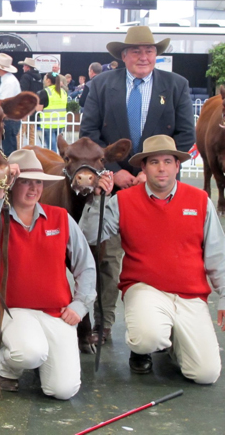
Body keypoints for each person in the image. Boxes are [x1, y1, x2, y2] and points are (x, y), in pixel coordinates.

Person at [79, 26, 195, 348]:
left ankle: (163, 324)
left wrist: (150, 170)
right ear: (124, 56)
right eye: (137, 51)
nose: (144, 56)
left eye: (150, 51)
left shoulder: (176, 86)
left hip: (160, 186)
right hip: (112, 187)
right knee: (107, 257)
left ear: (156, 55)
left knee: (161, 254)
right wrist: (114, 172)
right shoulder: (100, 86)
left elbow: (186, 136)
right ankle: (104, 324)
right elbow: (89, 134)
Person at [80, 135, 224, 382]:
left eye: (168, 161)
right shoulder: (123, 200)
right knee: (147, 336)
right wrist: (96, 199)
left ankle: (174, 342)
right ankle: (146, 347)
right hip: (145, 288)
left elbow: (217, 252)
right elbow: (88, 235)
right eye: (154, 162)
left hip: (190, 294)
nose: (161, 168)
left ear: (177, 166)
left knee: (206, 374)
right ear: (144, 168)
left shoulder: (200, 200)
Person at [0, 149, 96, 400]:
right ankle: (6, 368)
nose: (33, 188)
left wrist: (81, 305)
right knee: (30, 352)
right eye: (24, 181)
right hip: (11, 310)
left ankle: (40, 359)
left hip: (57, 312)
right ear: (11, 185)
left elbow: (86, 265)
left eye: (38, 182)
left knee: (63, 390)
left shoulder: (60, 217)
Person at [0, 53, 21, 156]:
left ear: (0, 68)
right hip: (9, 120)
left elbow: (5, 104)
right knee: (7, 148)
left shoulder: (9, 82)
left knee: (9, 151)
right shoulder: (8, 81)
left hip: (9, 120)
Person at [39, 72, 67, 153]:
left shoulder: (45, 92)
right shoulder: (63, 92)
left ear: (48, 80)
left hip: (48, 124)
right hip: (60, 123)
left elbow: (39, 108)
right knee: (59, 147)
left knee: (52, 149)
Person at [18, 57, 43, 145]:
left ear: (27, 67)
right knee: (31, 132)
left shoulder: (25, 77)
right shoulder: (40, 78)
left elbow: (23, 91)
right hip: (35, 107)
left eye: (24, 66)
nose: (23, 68)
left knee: (21, 131)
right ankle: (32, 150)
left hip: (25, 107)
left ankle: (19, 150)